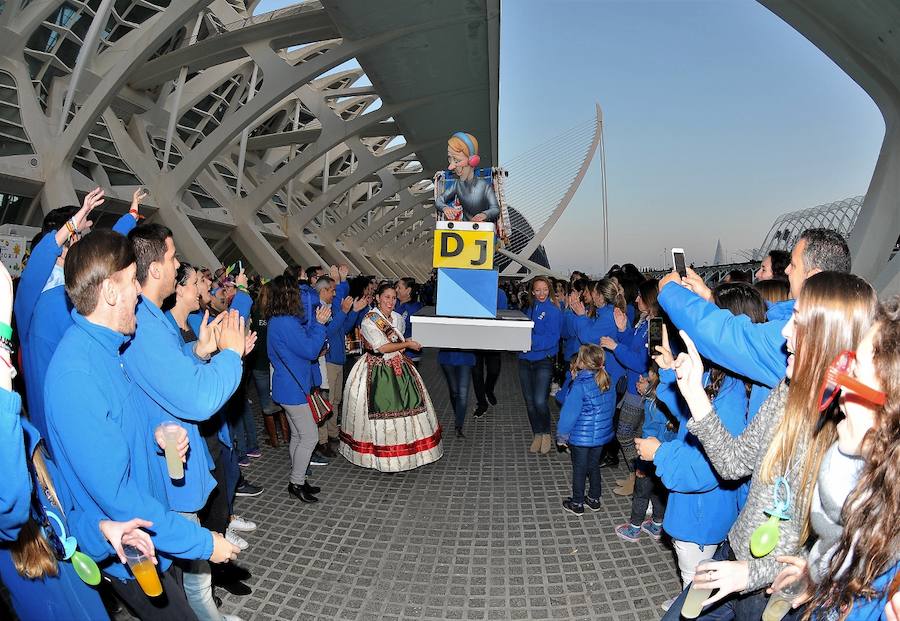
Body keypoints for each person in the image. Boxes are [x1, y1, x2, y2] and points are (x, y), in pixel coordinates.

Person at [44, 230, 240, 620]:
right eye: (134, 280)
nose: (141, 291)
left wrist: (154, 437)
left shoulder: (109, 349)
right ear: (111, 293)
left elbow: (117, 429)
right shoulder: (77, 373)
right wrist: (202, 543)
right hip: (130, 549)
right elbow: (120, 500)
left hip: (149, 536)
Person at [660, 271, 877, 621]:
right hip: (735, 554)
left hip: (776, 594)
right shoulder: (787, 391)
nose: (785, 332)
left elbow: (842, 553)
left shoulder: (852, 433)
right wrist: (696, 397)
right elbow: (734, 463)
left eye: (799, 322)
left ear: (830, 337)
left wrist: (749, 574)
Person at [123, 225, 249, 621]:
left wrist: (198, 350)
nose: (179, 265)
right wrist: (230, 355)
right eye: (174, 257)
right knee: (189, 566)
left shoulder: (154, 319)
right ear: (156, 268)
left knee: (187, 571)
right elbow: (197, 399)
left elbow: (174, 376)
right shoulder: (144, 325)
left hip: (174, 456)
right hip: (169, 466)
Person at [767, 297, 900, 620]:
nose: (838, 394)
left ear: (889, 414)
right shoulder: (876, 492)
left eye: (853, 376)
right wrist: (825, 579)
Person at [640, 283, 766, 610]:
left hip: (700, 517)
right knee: (696, 582)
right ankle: (689, 597)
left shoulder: (732, 398)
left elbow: (703, 468)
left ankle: (692, 603)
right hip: (705, 514)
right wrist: (670, 372)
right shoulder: (728, 378)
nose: (700, 328)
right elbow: (689, 410)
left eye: (713, 319)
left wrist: (659, 453)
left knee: (697, 584)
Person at [658, 228, 851, 401]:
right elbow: (757, 311)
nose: (786, 270)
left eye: (793, 264)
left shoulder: (803, 337)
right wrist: (709, 296)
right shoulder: (834, 326)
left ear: (813, 276)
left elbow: (730, 337)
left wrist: (670, 292)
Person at [14, 187, 140, 446]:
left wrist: (131, 215)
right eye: (80, 238)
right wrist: (72, 226)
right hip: (55, 425)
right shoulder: (34, 299)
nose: (87, 245)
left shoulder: (76, 291)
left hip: (86, 412)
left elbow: (101, 253)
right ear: (62, 247)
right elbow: (39, 262)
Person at [339, 283, 443, 472]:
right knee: (376, 411)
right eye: (387, 297)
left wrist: (405, 345)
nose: (391, 301)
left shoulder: (396, 318)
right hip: (375, 369)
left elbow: (398, 343)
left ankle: (407, 453)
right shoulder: (369, 320)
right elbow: (382, 347)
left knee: (411, 406)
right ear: (378, 298)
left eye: (394, 298)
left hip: (399, 366)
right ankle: (380, 455)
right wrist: (408, 344)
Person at [266, 275, 329, 502]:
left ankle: (299, 477)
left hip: (286, 386)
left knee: (298, 435)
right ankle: (296, 482)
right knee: (310, 437)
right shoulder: (287, 322)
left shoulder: (278, 320)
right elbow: (311, 350)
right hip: (294, 389)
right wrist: (320, 326)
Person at [601, 279, 658, 496]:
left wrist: (615, 346)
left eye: (639, 296)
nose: (635, 299)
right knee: (633, 433)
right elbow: (632, 345)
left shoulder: (655, 325)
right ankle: (636, 476)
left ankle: (639, 477)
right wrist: (623, 329)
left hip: (642, 389)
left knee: (625, 434)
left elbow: (644, 362)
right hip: (636, 387)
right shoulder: (644, 322)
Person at [555, 344, 616, 515]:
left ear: (581, 362)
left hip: (581, 437)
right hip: (601, 435)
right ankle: (594, 499)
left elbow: (569, 413)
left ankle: (577, 503)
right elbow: (610, 408)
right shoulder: (606, 379)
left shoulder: (580, 384)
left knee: (579, 469)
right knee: (593, 466)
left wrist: (562, 436)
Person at [615, 367, 673, 541]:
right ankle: (656, 525)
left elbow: (649, 433)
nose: (645, 376)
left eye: (649, 374)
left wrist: (641, 463)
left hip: (650, 455)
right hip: (667, 454)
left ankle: (634, 528)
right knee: (659, 491)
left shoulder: (652, 403)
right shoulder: (674, 401)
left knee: (641, 493)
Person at [519, 276, 563, 454]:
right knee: (529, 402)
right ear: (532, 291)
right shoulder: (530, 308)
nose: (541, 293)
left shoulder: (554, 310)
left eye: (545, 289)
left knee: (539, 400)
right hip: (524, 359)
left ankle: (546, 433)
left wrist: (528, 340)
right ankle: (537, 433)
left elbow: (553, 338)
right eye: (537, 290)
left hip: (543, 360)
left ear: (549, 290)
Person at [434, 132, 499, 223]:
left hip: (482, 230)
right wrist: (445, 208)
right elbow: (439, 201)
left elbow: (495, 208)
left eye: (457, 160)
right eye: (450, 159)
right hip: (464, 229)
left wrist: (485, 214)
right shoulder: (457, 185)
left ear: (473, 161)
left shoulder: (484, 186)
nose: (450, 167)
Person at [438, 348, 475, 438]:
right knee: (454, 391)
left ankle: (458, 425)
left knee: (462, 394)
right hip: (447, 357)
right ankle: (458, 414)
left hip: (466, 357)